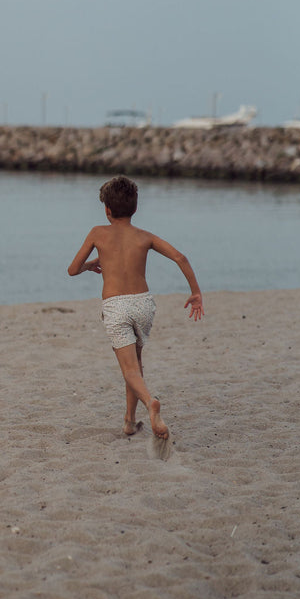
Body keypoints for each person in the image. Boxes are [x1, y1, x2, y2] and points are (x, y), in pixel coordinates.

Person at [67, 176, 203, 440]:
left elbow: (72, 270)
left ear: (107, 209)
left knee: (129, 370)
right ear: (135, 208)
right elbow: (180, 257)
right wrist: (195, 292)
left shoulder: (97, 233)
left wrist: (89, 265)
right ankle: (129, 422)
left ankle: (150, 402)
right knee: (136, 364)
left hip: (116, 306)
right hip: (143, 304)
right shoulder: (145, 236)